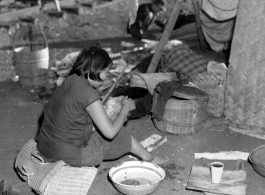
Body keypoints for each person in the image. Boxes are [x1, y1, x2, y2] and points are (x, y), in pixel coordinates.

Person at [35, 43, 168, 167]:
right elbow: (110, 133)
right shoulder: (89, 94)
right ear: (97, 70)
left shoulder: (69, 80)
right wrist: (125, 108)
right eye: (106, 72)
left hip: (45, 147)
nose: (105, 77)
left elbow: (76, 115)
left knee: (103, 127)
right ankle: (148, 159)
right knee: (120, 134)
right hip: (68, 155)